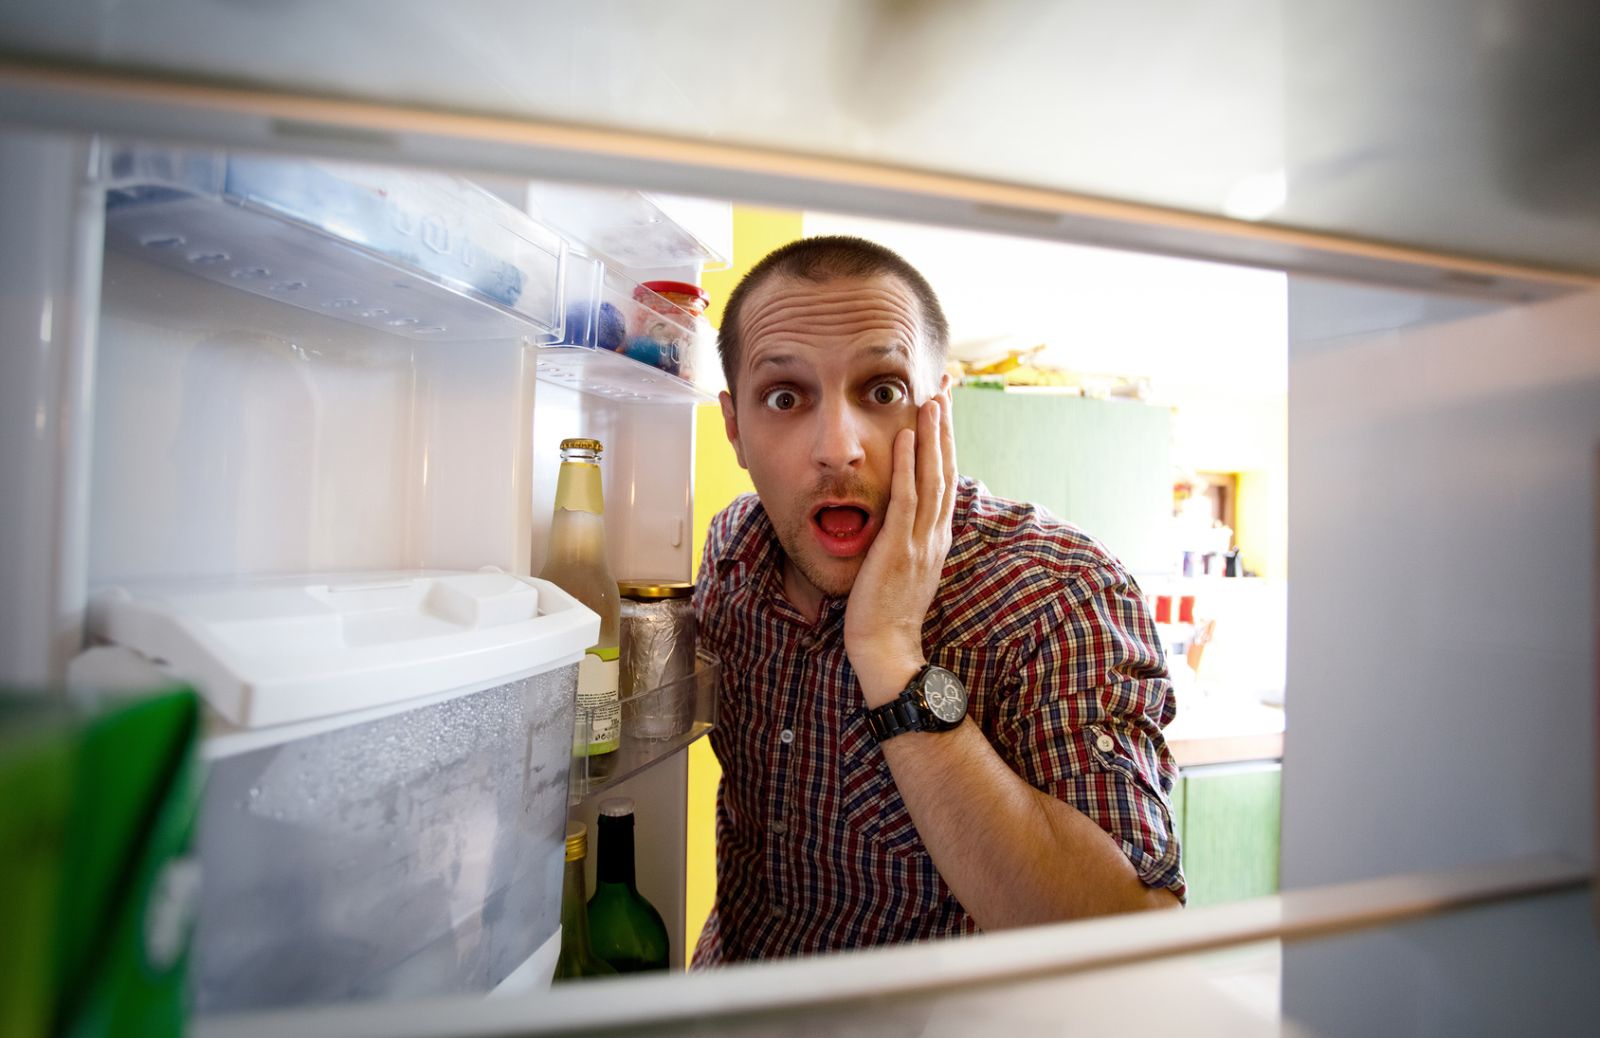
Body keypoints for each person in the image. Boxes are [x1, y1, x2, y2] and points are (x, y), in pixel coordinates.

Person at [693, 235, 1183, 965]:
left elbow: (1129, 942)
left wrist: (891, 651)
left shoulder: (1057, 591)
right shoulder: (735, 549)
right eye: (785, 397)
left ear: (938, 410)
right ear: (734, 428)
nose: (838, 446)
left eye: (882, 391)